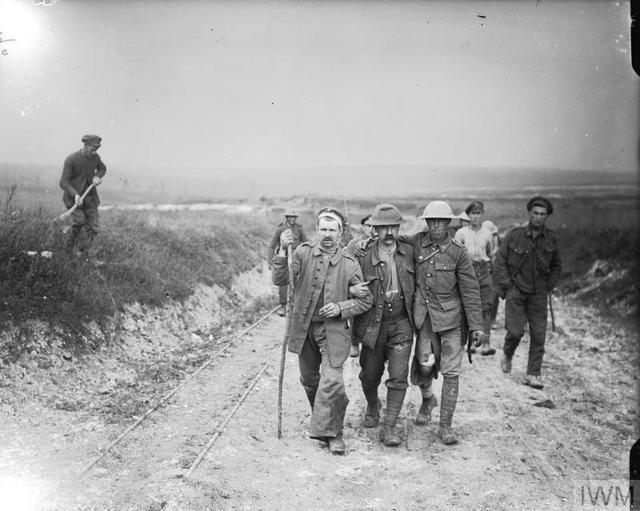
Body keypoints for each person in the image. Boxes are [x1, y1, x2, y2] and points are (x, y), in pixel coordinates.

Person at [354, 200, 483, 445]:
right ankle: (427, 398)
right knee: (423, 367)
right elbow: (387, 241)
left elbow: (470, 290)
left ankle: (444, 426)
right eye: (431, 221)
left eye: (441, 222)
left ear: (449, 224)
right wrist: (365, 243)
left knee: (450, 372)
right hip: (424, 320)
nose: (436, 226)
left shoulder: (458, 252)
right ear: (426, 223)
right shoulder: (415, 242)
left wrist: (476, 325)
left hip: (451, 320)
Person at [271, 206, 372, 454]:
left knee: (333, 381)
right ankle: (323, 418)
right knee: (309, 380)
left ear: (340, 233)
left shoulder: (350, 264)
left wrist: (340, 307)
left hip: (333, 332)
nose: (327, 234)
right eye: (323, 229)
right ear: (317, 230)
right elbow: (280, 280)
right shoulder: (302, 253)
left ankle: (333, 433)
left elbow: (365, 300)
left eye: (332, 230)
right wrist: (283, 251)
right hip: (304, 329)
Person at [350, 204, 415, 446]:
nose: (389, 232)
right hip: (371, 325)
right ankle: (372, 404)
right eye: (383, 227)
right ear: (374, 230)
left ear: (399, 228)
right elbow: (344, 274)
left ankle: (389, 427)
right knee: (369, 376)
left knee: (398, 377)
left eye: (393, 226)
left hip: (401, 324)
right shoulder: (361, 254)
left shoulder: (410, 251)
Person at [493, 196, 562, 390]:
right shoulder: (514, 236)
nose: (538, 218)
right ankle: (508, 352)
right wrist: (507, 284)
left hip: (539, 294)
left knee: (539, 335)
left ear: (546, 216)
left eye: (542, 214)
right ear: (529, 214)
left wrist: (549, 284)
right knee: (515, 332)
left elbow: (557, 265)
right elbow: (500, 262)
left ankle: (533, 374)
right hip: (517, 291)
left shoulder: (551, 238)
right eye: (535, 213)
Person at [454, 201, 496, 355]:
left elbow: (491, 254)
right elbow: (456, 256)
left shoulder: (487, 233)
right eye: (473, 213)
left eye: (479, 213)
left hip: (484, 271)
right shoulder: (461, 233)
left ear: (482, 214)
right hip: (467, 272)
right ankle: (470, 343)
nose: (476, 217)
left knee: (486, 308)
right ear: (468, 215)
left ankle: (485, 343)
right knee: (467, 307)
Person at [59, 134, 107, 257]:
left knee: (94, 227)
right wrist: (75, 195)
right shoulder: (72, 159)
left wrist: (97, 176)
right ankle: (70, 247)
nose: (94, 152)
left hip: (90, 198)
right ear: (85, 146)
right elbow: (63, 182)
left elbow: (102, 168)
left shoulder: (95, 157)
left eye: (96, 149)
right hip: (73, 199)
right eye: (92, 149)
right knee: (79, 222)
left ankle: (88, 255)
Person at [345, 213, 374, 358]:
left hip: (375, 284)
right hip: (358, 283)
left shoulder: (380, 243)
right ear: (363, 227)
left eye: (375, 226)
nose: (371, 229)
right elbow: (347, 264)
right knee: (355, 315)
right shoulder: (353, 244)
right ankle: (354, 343)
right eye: (368, 225)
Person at [268, 209, 308, 316]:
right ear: (287, 218)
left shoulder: (299, 229)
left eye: (294, 217)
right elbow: (272, 246)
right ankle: (283, 306)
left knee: (297, 280)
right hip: (284, 258)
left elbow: (306, 243)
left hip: (296, 258)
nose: (292, 219)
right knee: (283, 283)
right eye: (290, 217)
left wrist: (305, 257)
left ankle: (295, 305)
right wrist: (270, 261)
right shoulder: (280, 229)